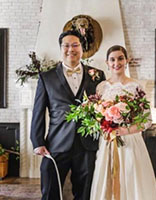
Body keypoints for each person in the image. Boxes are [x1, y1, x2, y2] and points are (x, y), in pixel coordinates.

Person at [30, 30, 105, 200]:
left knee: (85, 192)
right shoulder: (46, 77)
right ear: (61, 48)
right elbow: (38, 112)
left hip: (87, 144)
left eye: (75, 45)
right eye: (66, 45)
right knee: (50, 190)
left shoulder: (98, 76)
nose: (71, 49)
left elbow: (104, 108)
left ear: (82, 48)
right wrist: (37, 141)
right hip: (56, 143)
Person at [90, 45, 156, 200]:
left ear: (126, 60)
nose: (117, 63)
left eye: (120, 58)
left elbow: (146, 121)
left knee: (130, 178)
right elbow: (96, 117)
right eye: (112, 59)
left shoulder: (136, 86)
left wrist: (124, 131)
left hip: (130, 142)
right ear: (107, 63)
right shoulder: (101, 87)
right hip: (108, 142)